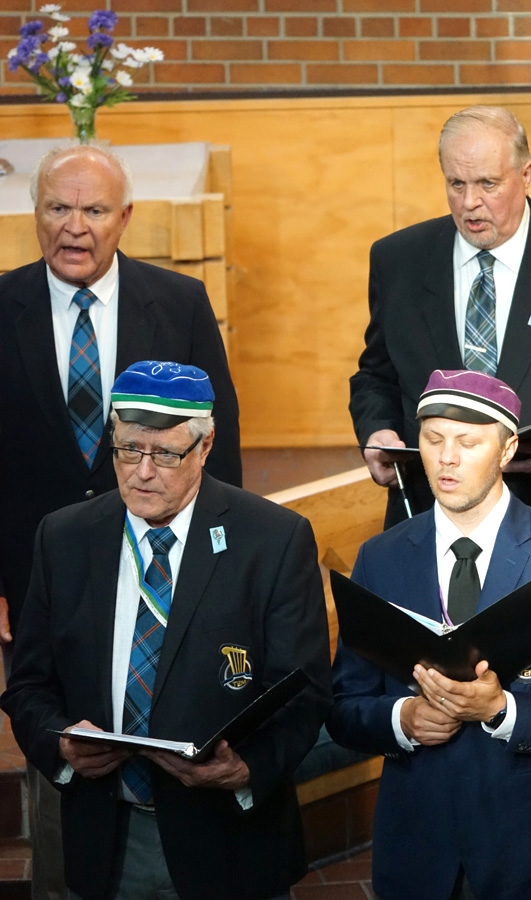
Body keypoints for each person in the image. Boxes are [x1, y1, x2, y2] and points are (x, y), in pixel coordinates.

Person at [0, 144, 242, 900]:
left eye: (94, 210)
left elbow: (222, 449)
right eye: (57, 207)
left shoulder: (179, 303)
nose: (74, 226)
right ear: (34, 213)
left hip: (165, 569)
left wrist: (222, 573)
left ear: (125, 217)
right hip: (35, 581)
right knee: (60, 748)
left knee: (169, 726)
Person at [1, 360, 331, 900]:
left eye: (166, 455)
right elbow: (29, 684)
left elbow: (306, 691)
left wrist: (246, 767)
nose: (142, 472)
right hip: (106, 837)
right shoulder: (63, 538)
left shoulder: (273, 539)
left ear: (205, 446)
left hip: (227, 841)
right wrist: (60, 742)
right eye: (128, 450)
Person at [329, 368, 531, 900]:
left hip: (530, 847)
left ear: (507, 450)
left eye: (468, 443)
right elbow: (343, 707)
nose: (446, 458)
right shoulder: (381, 557)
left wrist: (502, 711)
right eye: (433, 440)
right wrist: (402, 719)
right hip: (417, 848)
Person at [351, 105, 531, 534]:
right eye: (456, 183)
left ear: (525, 175)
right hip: (430, 523)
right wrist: (378, 431)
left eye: (488, 183)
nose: (469, 203)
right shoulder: (399, 260)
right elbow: (376, 376)